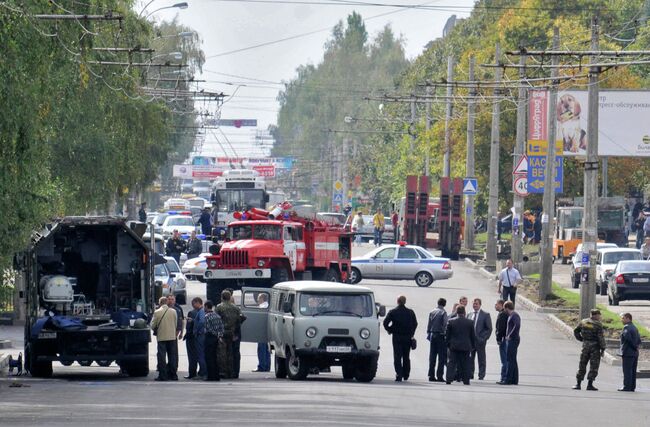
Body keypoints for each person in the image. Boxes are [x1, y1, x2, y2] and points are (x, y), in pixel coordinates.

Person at [383, 295, 418, 382]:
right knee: (406, 356)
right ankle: (406, 374)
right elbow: (415, 323)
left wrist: (390, 330)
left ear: (397, 301)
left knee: (397, 356)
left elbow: (385, 323)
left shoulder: (393, 312)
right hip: (407, 337)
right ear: (405, 302)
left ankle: (399, 374)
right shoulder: (410, 312)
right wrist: (411, 333)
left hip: (397, 336)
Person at [573, 309, 607, 390]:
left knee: (582, 364)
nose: (599, 317)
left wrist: (581, 339)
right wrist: (603, 348)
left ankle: (578, 384)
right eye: (599, 315)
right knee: (594, 366)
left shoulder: (583, 322)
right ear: (596, 315)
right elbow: (600, 337)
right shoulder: (598, 324)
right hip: (594, 348)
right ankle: (590, 384)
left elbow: (576, 331)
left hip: (585, 346)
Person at [445, 305, 476, 385]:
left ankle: (449, 379)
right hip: (466, 346)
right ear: (464, 312)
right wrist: (472, 346)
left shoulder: (451, 321)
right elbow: (472, 336)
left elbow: (447, 335)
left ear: (457, 312)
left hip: (454, 346)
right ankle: (466, 380)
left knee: (451, 363)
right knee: (465, 364)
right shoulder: (470, 322)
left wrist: (448, 344)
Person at [216, 290, 243, 379]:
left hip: (223, 333)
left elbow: (216, 320)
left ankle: (223, 372)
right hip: (233, 333)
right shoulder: (236, 308)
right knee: (232, 353)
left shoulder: (219, 307)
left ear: (222, 297)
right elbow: (241, 318)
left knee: (222, 353)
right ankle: (232, 372)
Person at [151, 296, 178, 381]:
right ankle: (173, 374)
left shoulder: (157, 312)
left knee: (162, 357)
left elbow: (152, 325)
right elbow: (175, 323)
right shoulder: (174, 311)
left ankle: (163, 375)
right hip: (172, 337)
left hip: (162, 337)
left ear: (160, 303)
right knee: (172, 356)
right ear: (166, 302)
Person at [468, 298, 493, 380]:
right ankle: (470, 374)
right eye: (474, 303)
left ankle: (481, 375)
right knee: (470, 358)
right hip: (470, 341)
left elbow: (489, 328)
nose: (475, 305)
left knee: (481, 358)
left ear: (480, 305)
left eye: (476, 304)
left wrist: (483, 338)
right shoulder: (469, 314)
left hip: (480, 341)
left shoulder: (485, 314)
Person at [184, 297, 206, 380]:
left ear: (197, 303)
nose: (192, 306)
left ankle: (192, 373)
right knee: (200, 355)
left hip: (192, 337)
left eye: (193, 304)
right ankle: (201, 372)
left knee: (192, 356)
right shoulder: (204, 312)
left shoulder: (192, 313)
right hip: (201, 337)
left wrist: (192, 332)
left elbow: (189, 327)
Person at [427, 297, 448, 382]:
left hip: (432, 334)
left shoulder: (432, 312)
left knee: (432, 356)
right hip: (440, 335)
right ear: (444, 304)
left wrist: (429, 333)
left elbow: (429, 324)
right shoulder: (443, 312)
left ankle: (431, 375)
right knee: (441, 357)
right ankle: (439, 375)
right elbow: (445, 325)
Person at [618, 313, 641, 392]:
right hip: (635, 353)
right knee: (633, 370)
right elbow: (639, 340)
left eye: (623, 318)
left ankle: (626, 386)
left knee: (627, 370)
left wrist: (634, 346)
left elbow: (628, 339)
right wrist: (636, 347)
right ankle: (632, 387)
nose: (622, 320)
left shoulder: (626, 328)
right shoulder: (635, 327)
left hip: (628, 352)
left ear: (628, 318)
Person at [204, 300, 224, 381]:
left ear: (206, 306)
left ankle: (210, 376)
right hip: (216, 339)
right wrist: (219, 336)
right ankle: (216, 375)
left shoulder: (207, 316)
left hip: (209, 338)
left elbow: (208, 328)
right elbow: (222, 328)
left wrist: (214, 333)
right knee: (215, 357)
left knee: (209, 358)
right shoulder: (217, 316)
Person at [501, 301, 520, 385]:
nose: (504, 310)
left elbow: (517, 325)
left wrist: (509, 335)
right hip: (512, 339)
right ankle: (514, 379)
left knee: (509, 359)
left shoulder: (514, 315)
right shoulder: (511, 315)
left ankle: (508, 379)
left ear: (507, 308)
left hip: (513, 340)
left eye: (504, 308)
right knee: (513, 359)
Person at [253, 293, 271, 372]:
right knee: (267, 350)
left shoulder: (261, 307)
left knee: (261, 349)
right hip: (268, 332)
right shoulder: (268, 306)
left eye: (258, 298)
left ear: (262, 299)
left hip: (261, 332)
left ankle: (261, 366)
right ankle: (267, 366)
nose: (257, 300)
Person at [167, 295, 184, 368]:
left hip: (173, 335)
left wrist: (179, 333)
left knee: (173, 353)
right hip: (164, 335)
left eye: (172, 299)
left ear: (175, 300)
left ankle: (174, 368)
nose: (170, 301)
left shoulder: (178, 309)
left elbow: (180, 323)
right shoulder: (162, 309)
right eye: (169, 299)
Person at [494, 299, 509, 384]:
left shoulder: (502, 314)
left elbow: (501, 328)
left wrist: (499, 339)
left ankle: (504, 378)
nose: (495, 306)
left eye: (496, 304)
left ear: (501, 304)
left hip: (503, 340)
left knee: (504, 360)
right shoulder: (504, 314)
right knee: (506, 359)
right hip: (505, 339)